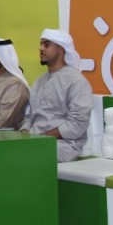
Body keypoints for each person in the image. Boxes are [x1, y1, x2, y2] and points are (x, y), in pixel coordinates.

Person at [22, 29, 94, 163]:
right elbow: (29, 116)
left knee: (22, 157)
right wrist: (24, 132)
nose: (41, 48)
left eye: (46, 45)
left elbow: (78, 123)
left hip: (63, 146)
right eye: (41, 44)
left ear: (60, 49)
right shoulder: (39, 81)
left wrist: (43, 137)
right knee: (5, 151)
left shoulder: (76, 81)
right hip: (36, 141)